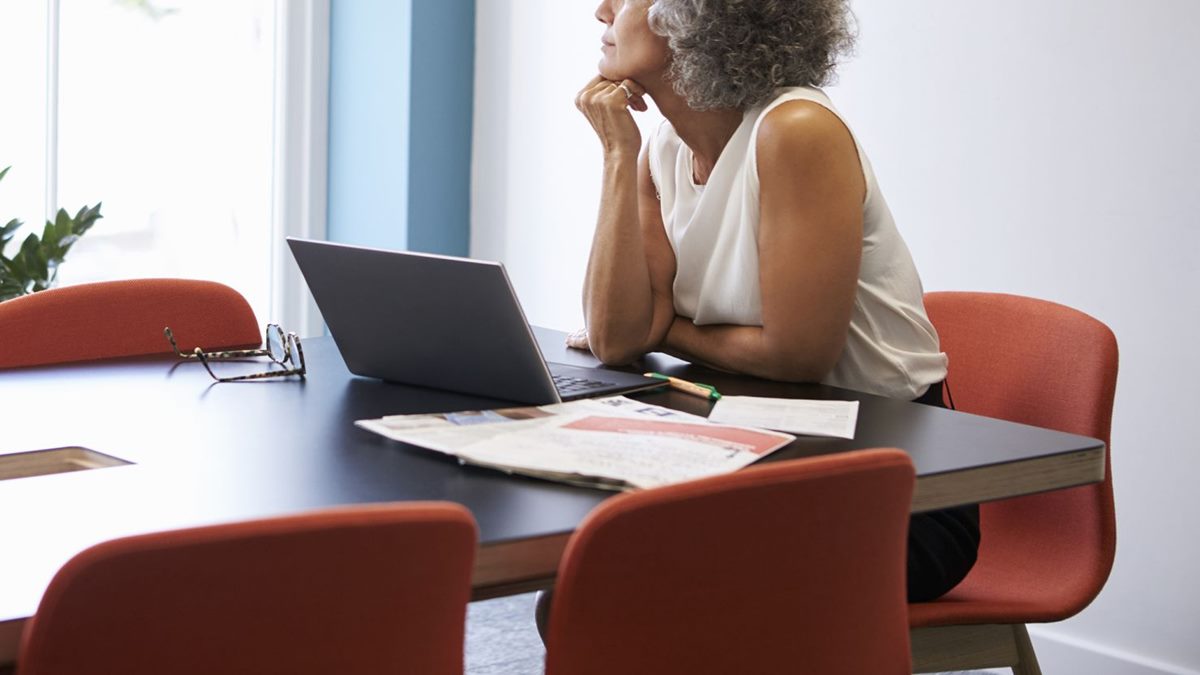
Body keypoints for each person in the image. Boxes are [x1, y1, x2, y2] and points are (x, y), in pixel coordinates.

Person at [534, 0, 978, 634]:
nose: (601, 9)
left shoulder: (796, 130)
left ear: (697, 20)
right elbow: (614, 337)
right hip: (763, 455)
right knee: (586, 593)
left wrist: (665, 329)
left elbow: (798, 355)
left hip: (894, 490)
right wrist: (614, 153)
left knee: (609, 599)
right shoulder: (662, 146)